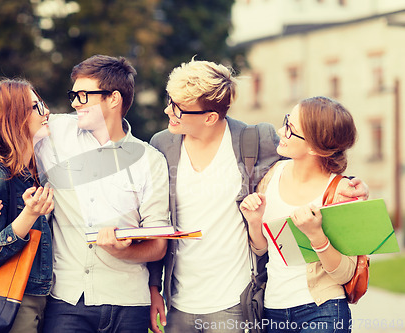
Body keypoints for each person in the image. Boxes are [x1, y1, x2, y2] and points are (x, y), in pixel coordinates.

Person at [148, 60, 368, 333]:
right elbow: (155, 219)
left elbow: (316, 149)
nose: (169, 110)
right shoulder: (162, 145)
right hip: (180, 301)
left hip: (235, 300)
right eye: (170, 100)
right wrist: (154, 287)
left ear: (210, 117)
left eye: (179, 107)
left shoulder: (255, 140)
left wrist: (348, 184)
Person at [0, 55, 170, 332]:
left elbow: (158, 245)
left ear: (113, 98)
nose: (74, 103)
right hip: (65, 300)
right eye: (73, 95)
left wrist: (122, 252)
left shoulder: (150, 160)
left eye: (83, 96)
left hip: (130, 303)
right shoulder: (53, 131)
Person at [239, 96, 358, 333]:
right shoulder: (272, 175)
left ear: (315, 147)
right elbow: (263, 249)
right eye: (286, 122)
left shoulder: (340, 192)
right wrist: (254, 221)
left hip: (322, 310)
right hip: (274, 309)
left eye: (291, 130)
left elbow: (346, 273)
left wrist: (316, 235)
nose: (281, 131)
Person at [0, 78, 54, 333]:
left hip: (41, 298)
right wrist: (29, 215)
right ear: (13, 118)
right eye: (36, 107)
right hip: (13, 303)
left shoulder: (33, 169)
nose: (46, 112)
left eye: (42, 104)